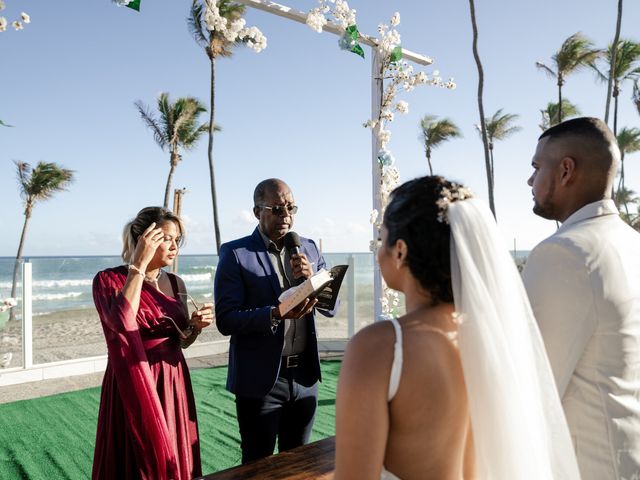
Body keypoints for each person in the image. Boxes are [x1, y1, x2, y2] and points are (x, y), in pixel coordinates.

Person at [335, 176, 580, 480]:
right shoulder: (496, 338)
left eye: (381, 239)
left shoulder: (379, 347)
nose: (378, 251)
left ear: (400, 251)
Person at [522, 117, 640, 479]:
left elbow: (532, 386)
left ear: (566, 170)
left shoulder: (565, 253)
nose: (530, 180)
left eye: (537, 167)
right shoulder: (631, 242)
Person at [214, 178, 337, 463]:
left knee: (299, 464)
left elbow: (332, 307)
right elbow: (226, 319)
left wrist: (312, 281)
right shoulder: (235, 253)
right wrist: (274, 314)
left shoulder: (309, 248)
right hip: (261, 380)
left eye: (291, 208)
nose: (287, 216)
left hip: (305, 377)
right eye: (278, 209)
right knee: (258, 466)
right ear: (258, 211)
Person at [92, 207, 214, 480]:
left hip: (172, 379)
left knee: (170, 454)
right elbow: (122, 321)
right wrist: (138, 265)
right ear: (145, 239)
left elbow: (182, 342)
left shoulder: (176, 282)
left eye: (177, 240)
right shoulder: (108, 280)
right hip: (132, 377)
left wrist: (194, 327)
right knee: (135, 456)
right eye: (166, 239)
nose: (174, 247)